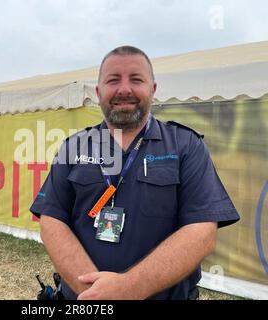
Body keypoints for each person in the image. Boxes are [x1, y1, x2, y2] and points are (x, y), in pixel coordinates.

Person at [30, 46, 240, 300]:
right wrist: (96, 294)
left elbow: (201, 232)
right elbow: (52, 221)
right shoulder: (73, 147)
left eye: (136, 79)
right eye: (113, 80)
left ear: (152, 89)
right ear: (98, 93)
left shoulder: (186, 145)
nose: (124, 89)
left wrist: (128, 288)